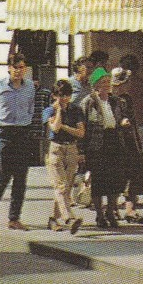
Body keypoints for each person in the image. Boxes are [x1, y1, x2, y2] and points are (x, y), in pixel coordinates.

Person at [0, 53, 38, 230]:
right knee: (3, 176)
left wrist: (27, 124)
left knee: (21, 178)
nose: (18, 71)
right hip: (4, 133)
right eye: (15, 67)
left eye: (22, 67)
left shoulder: (29, 86)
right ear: (9, 68)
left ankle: (14, 218)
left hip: (22, 133)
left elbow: (31, 107)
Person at [81, 68, 126, 229]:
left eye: (108, 82)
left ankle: (111, 211)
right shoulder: (88, 102)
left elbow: (120, 118)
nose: (107, 85)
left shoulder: (117, 101)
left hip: (114, 141)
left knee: (115, 180)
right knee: (99, 182)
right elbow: (83, 127)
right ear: (96, 85)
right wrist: (82, 151)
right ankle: (100, 215)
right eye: (103, 83)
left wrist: (123, 123)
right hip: (96, 145)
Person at [110, 67, 143, 223]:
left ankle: (130, 210)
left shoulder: (127, 98)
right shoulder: (110, 99)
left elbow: (131, 119)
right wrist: (120, 122)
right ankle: (112, 209)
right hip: (116, 143)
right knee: (116, 178)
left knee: (133, 176)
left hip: (130, 142)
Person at [44, 79, 85, 233]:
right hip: (56, 149)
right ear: (55, 95)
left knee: (65, 188)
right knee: (60, 186)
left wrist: (65, 127)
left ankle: (53, 219)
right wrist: (59, 111)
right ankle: (69, 218)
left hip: (72, 149)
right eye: (61, 95)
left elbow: (80, 133)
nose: (64, 98)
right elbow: (54, 128)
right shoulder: (49, 110)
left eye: (67, 95)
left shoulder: (76, 109)